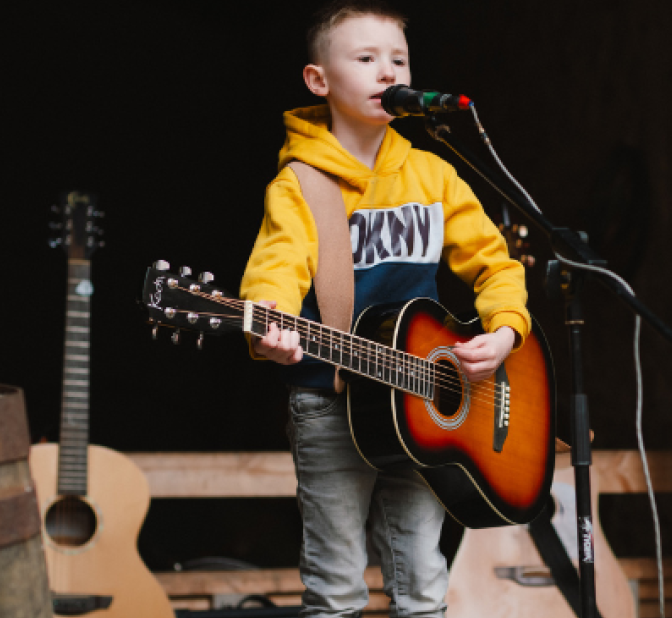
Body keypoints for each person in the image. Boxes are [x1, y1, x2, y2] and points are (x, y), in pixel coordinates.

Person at [239, 1, 531, 616]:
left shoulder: (433, 173)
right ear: (319, 80)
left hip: (424, 405)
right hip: (330, 401)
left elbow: (496, 263)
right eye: (366, 58)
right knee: (336, 579)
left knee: (424, 577)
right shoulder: (300, 185)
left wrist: (505, 331)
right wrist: (268, 324)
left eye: (396, 59)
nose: (385, 72)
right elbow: (276, 271)